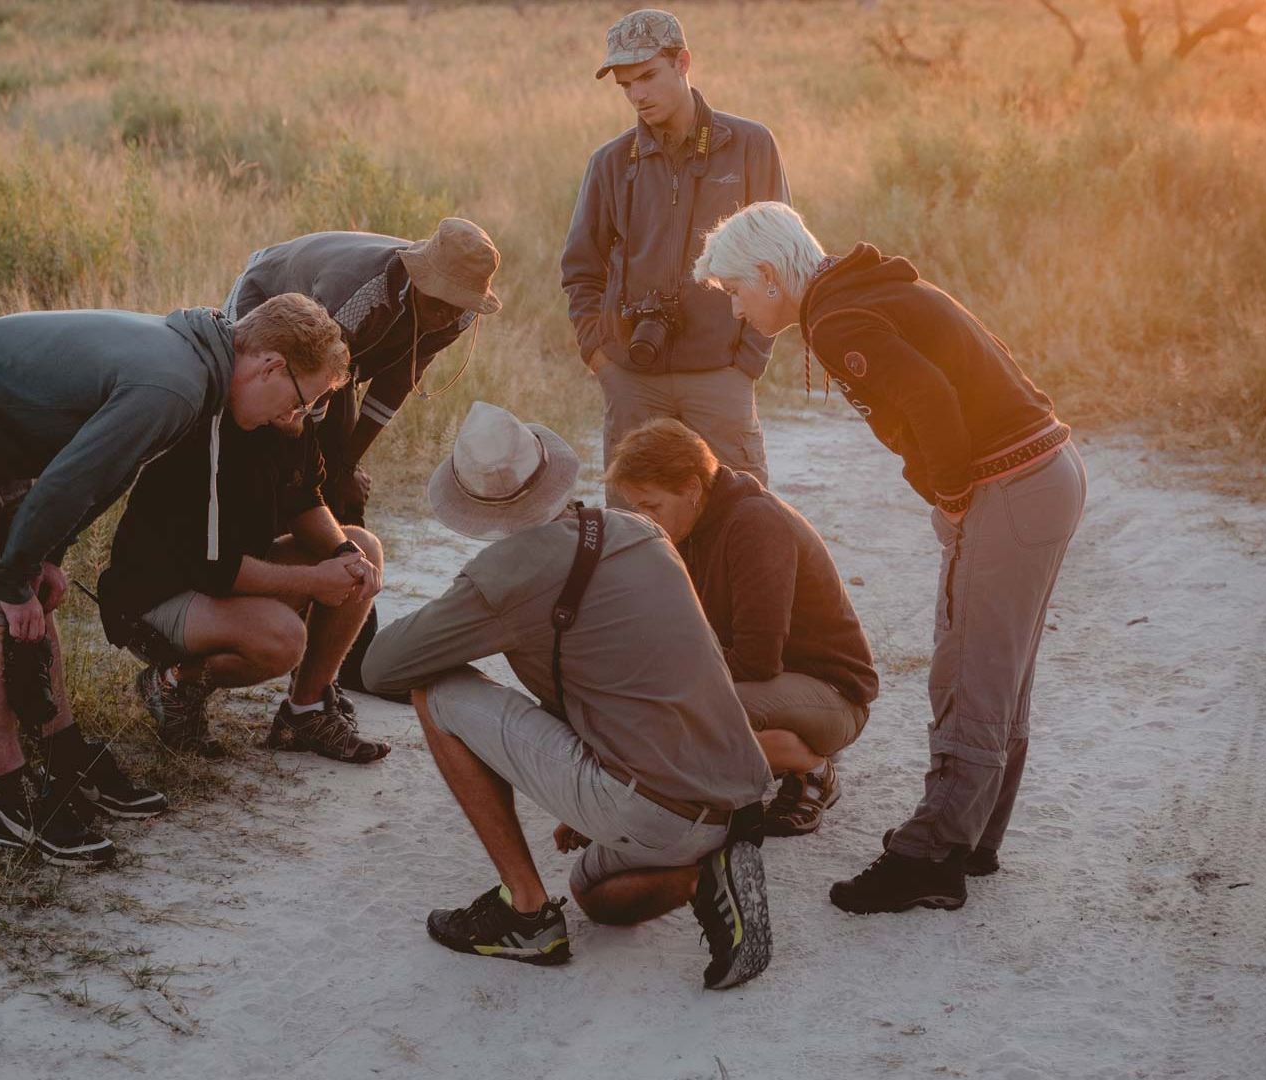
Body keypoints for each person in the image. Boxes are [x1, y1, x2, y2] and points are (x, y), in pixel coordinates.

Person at [692, 201, 1088, 914]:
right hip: (1046, 474)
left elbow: (932, 401)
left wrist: (952, 494)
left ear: (768, 274)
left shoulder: (840, 319)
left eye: (735, 291)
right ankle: (973, 836)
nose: (737, 309)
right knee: (1000, 670)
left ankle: (930, 855)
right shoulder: (860, 292)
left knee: (967, 670)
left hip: (1011, 486)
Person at [0, 292, 349, 866]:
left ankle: (65, 755)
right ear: (270, 365)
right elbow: (70, 483)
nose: (294, 419)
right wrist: (16, 577)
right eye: (302, 401)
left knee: (35, 596)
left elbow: (101, 475)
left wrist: (48, 558)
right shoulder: (174, 386)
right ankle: (14, 802)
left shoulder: (199, 371)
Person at [363, 401, 774, 990]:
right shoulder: (639, 528)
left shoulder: (505, 574)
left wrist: (473, 609)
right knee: (596, 897)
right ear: (551, 471)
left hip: (651, 802)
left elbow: (382, 668)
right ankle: (708, 869)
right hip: (731, 797)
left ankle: (525, 913)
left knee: (436, 692)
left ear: (470, 505)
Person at [225, 219, 501, 697]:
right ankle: (245, 590)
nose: (441, 314)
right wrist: (317, 478)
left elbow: (396, 382)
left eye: (454, 302)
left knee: (336, 482)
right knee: (280, 466)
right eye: (434, 297)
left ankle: (339, 659)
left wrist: (347, 467)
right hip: (274, 307)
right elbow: (310, 387)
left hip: (337, 361)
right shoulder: (362, 290)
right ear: (417, 273)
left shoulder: (459, 314)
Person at [95, 376, 392, 765]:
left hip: (217, 579)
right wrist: (316, 580)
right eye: (307, 394)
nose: (313, 406)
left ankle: (305, 713)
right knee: (283, 639)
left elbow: (305, 500)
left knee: (362, 548)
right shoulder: (209, 427)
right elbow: (216, 569)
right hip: (158, 595)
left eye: (323, 396)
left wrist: (342, 552)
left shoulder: (291, 412)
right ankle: (174, 685)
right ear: (275, 370)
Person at [606, 418, 878, 837]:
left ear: (692, 489)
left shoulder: (755, 523)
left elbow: (758, 659)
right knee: (642, 711)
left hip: (831, 696)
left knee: (672, 719)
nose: (645, 518)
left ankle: (811, 767)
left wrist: (662, 687)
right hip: (768, 688)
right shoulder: (690, 526)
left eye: (651, 505)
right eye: (636, 507)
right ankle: (757, 757)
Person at [561, 8, 790, 503]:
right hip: (632, 378)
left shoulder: (750, 145)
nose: (637, 94)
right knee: (635, 530)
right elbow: (581, 269)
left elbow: (781, 258)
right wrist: (601, 358)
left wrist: (747, 358)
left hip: (721, 374)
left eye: (647, 76)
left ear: (683, 62)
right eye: (625, 85)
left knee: (743, 515)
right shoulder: (609, 162)